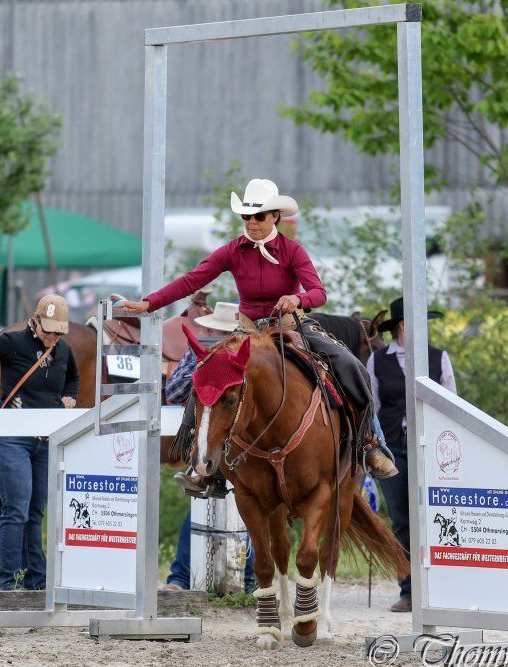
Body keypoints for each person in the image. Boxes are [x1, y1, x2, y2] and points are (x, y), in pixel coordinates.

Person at [118, 178, 397, 498]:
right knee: (207, 375)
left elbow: (319, 292)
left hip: (290, 326)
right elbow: (191, 280)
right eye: (246, 217)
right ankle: (204, 465)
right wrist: (149, 303)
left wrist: (298, 300)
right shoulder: (233, 251)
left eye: (259, 216)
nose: (252, 223)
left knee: (350, 365)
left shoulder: (293, 251)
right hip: (248, 328)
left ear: (275, 216)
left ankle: (370, 444)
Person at [0, 294, 79, 591]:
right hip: (13, 439)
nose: (52, 336)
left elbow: (73, 379)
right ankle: (9, 581)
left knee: (35, 511)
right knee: (16, 510)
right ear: (36, 320)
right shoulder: (13, 343)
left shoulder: (64, 351)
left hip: (44, 442)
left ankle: (37, 581)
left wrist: (69, 398)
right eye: (48, 329)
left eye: (58, 331)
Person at [367, 296, 457, 612]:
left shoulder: (438, 358)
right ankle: (409, 589)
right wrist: (373, 452)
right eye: (421, 322)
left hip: (432, 447)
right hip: (393, 448)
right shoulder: (377, 361)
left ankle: (442, 586)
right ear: (404, 325)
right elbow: (373, 410)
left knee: (437, 516)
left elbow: (452, 406)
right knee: (403, 519)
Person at [160, 302, 256, 593]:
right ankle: (249, 580)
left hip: (210, 442)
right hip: (247, 445)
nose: (206, 330)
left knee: (201, 503)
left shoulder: (201, 353)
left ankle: (180, 576)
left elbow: (173, 391)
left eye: (210, 327)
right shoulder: (254, 354)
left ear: (216, 329)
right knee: (253, 508)